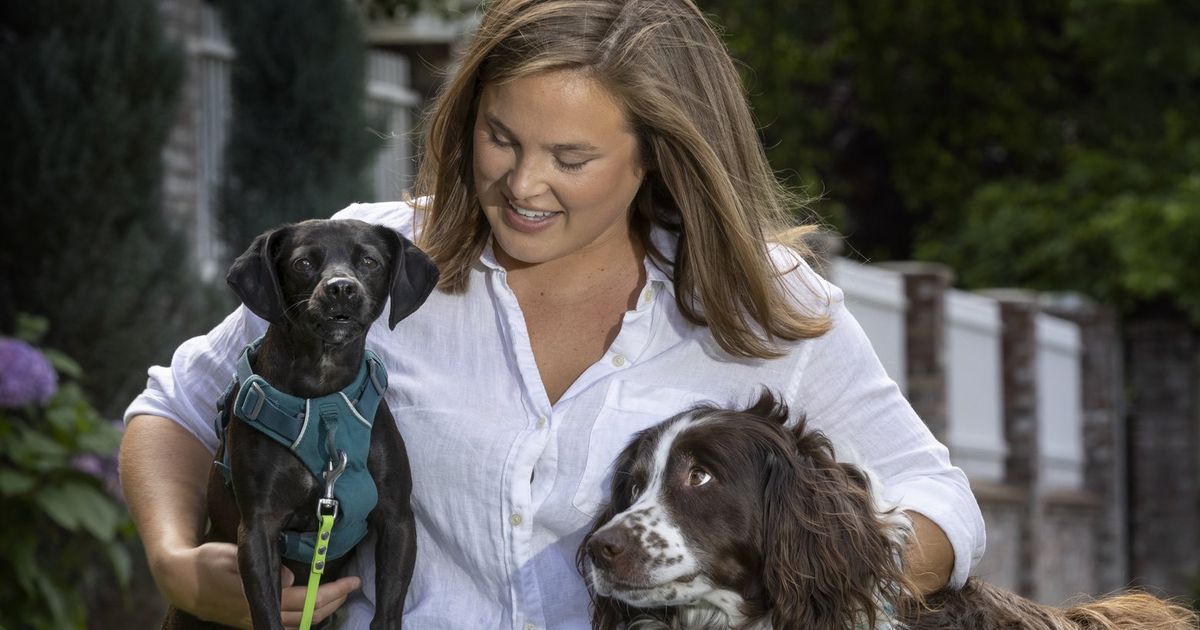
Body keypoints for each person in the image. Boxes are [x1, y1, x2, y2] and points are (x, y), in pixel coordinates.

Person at [119, 0, 986, 628]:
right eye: (501, 137)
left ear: (660, 156)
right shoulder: (373, 258)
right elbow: (179, 407)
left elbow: (938, 496)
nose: (523, 185)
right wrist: (175, 563)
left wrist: (820, 592)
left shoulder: (764, 304)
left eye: (571, 156)